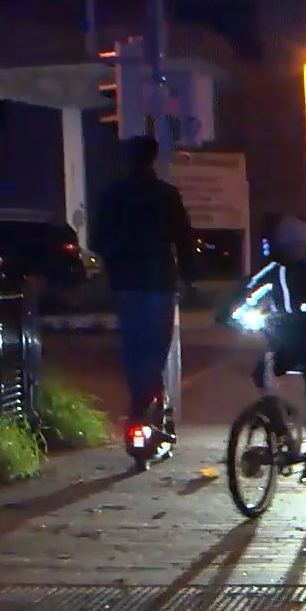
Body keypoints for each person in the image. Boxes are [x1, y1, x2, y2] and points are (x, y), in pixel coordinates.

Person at [92, 134, 196, 430]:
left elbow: (97, 239)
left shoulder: (113, 194)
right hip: (159, 283)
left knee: (133, 346)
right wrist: (190, 278)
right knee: (156, 347)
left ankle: (140, 401)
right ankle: (147, 401)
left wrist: (117, 256)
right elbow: (184, 238)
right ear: (152, 159)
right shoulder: (165, 195)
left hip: (126, 284)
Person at [233, 214, 306, 484]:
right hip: (289, 338)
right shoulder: (274, 268)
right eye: (290, 246)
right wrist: (232, 313)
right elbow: (249, 292)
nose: (295, 250)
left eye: (299, 244)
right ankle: (281, 430)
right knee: (262, 373)